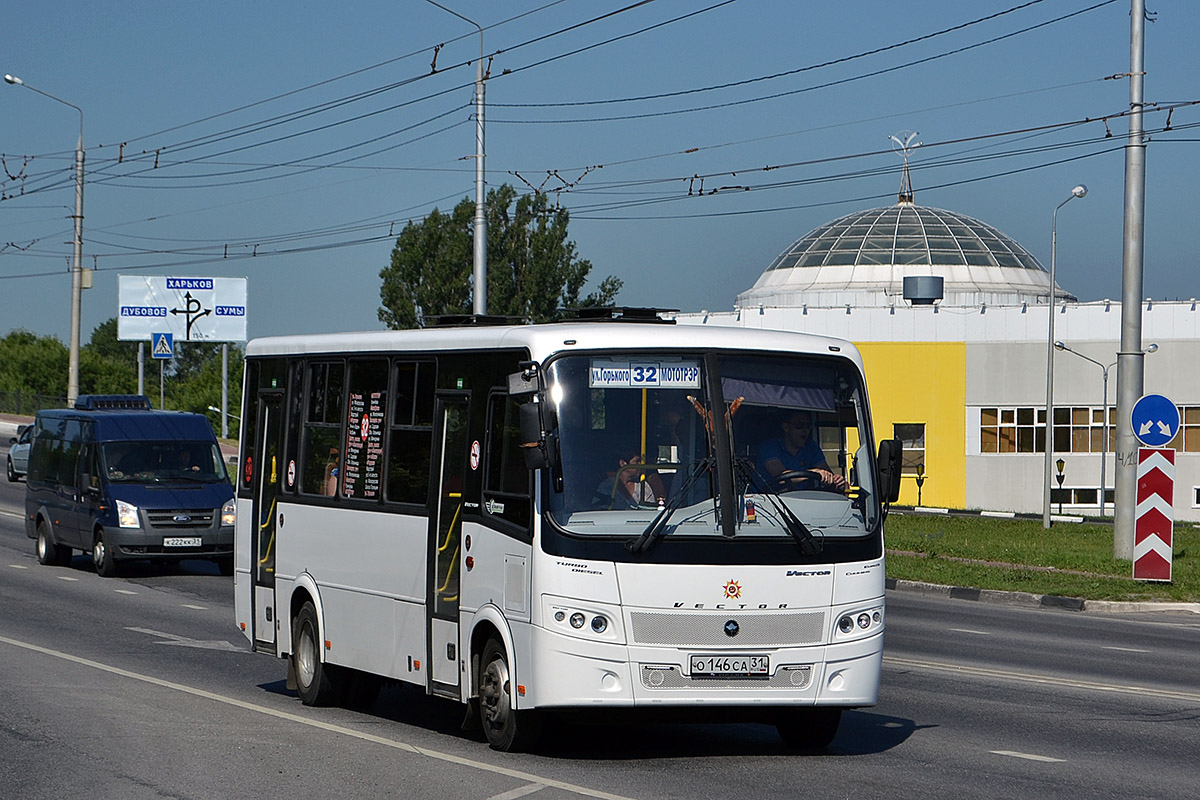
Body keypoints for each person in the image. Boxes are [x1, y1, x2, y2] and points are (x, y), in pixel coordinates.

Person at [756, 410, 848, 492]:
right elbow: (780, 476)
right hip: (767, 502)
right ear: (786, 427)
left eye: (808, 426)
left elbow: (825, 472)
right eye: (799, 425)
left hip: (801, 501)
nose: (805, 431)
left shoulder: (811, 447)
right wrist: (814, 473)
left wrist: (836, 481)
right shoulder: (769, 447)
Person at [594, 450, 667, 509]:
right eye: (637, 461)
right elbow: (599, 511)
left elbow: (650, 512)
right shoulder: (606, 486)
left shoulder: (643, 487)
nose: (641, 465)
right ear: (623, 463)